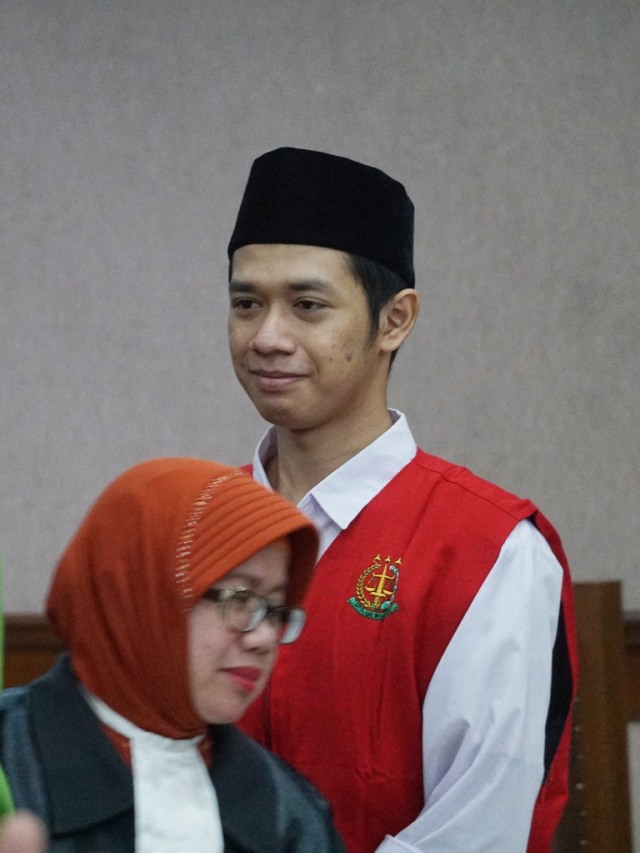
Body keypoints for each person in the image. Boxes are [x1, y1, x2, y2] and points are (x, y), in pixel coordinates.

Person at [225, 147, 578, 853]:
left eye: (307, 305)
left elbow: (480, 827)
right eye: (246, 303)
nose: (267, 336)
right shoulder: (195, 526)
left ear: (395, 320)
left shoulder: (489, 549)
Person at [0, 457, 345, 853]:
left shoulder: (292, 815)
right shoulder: (10, 763)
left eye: (277, 609)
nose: (264, 637)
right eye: (240, 598)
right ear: (137, 595)